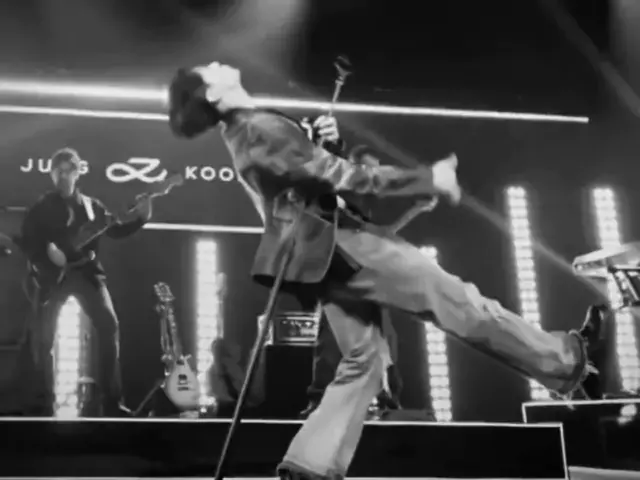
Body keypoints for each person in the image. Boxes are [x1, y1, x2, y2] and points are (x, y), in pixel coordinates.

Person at [167, 62, 607, 480]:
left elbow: (307, 182)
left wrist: (321, 145)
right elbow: (343, 178)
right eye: (210, 69)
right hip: (343, 244)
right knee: (457, 301)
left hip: (323, 257)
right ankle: (566, 362)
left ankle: (309, 464)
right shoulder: (258, 127)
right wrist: (426, 179)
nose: (219, 64)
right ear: (213, 93)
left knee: (365, 359)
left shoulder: (247, 130)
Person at [20, 147, 152, 417]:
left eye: (68, 170)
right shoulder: (40, 209)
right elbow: (28, 242)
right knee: (43, 338)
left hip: (87, 273)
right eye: (58, 171)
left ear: (78, 172)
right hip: (52, 278)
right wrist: (48, 257)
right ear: (51, 174)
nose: (63, 175)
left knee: (109, 325)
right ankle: (42, 402)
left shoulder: (93, 207)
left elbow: (115, 231)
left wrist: (142, 217)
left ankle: (111, 402)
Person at [299, 143, 403, 420]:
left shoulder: (374, 202)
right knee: (331, 341)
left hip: (370, 280)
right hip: (340, 279)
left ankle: (388, 400)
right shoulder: (339, 193)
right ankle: (319, 400)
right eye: (368, 168)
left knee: (384, 341)